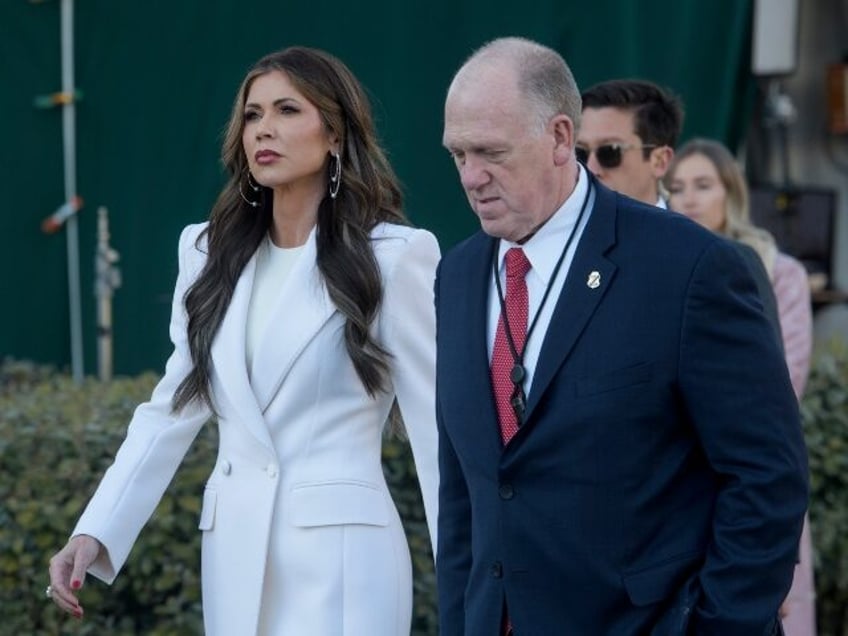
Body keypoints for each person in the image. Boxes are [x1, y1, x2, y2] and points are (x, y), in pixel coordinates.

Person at [46, 46, 440, 635]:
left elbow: (437, 432)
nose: (265, 130)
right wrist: (94, 530)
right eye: (253, 115)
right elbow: (173, 407)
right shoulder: (206, 253)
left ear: (335, 134)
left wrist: (476, 570)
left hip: (345, 565)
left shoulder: (394, 257)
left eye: (287, 110)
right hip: (232, 550)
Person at [437, 36, 808, 635]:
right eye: (457, 154)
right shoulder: (457, 275)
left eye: (490, 152)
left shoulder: (688, 267)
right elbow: (467, 494)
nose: (471, 176)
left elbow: (767, 477)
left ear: (561, 138)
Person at [666, 137, 816, 635]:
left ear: (731, 192)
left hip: (748, 482)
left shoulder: (778, 271)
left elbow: (782, 386)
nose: (689, 199)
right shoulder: (660, 271)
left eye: (703, 185)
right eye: (679, 187)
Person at [577, 79, 784, 346]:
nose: (591, 168)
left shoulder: (725, 261)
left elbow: (758, 382)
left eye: (610, 152)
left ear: (660, 160)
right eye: (580, 153)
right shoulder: (559, 252)